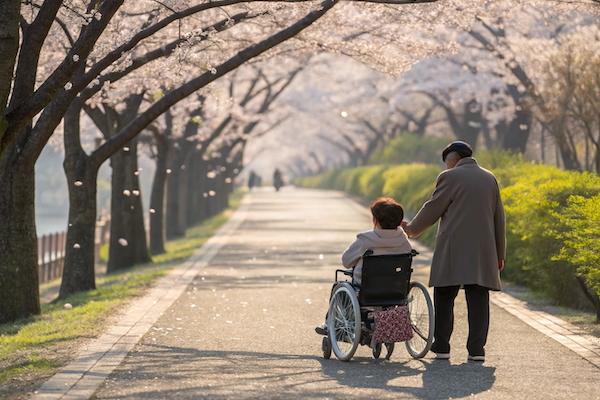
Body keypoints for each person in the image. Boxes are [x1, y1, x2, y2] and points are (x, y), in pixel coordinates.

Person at [402, 141, 506, 362]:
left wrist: (412, 229)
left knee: (444, 293)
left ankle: (442, 346)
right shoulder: (490, 178)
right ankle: (477, 350)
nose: (446, 167)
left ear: (453, 159)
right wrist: (500, 254)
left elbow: (433, 207)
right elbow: (499, 217)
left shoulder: (450, 177)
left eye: (447, 163)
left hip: (453, 247)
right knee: (478, 296)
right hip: (483, 249)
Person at [315, 197, 412, 335]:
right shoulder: (403, 241)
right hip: (396, 291)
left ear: (376, 220)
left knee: (339, 286)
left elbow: (346, 261)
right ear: (399, 221)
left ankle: (330, 324)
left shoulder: (366, 240)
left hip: (365, 290)